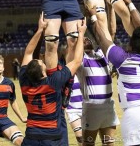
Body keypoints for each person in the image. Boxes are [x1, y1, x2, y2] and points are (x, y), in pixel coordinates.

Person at [90, 0, 140, 146]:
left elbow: (101, 38)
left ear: (130, 47)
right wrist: (130, 3)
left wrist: (93, 17)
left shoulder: (122, 59)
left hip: (135, 112)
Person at [19, 13, 86, 146]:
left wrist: (39, 30)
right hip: (51, 136)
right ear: (44, 73)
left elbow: (28, 53)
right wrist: (81, 34)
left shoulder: (24, 81)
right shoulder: (53, 82)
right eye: (42, 63)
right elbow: (77, 60)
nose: (43, 60)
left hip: (31, 136)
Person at [76, 37, 119, 146]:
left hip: (108, 105)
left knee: (109, 144)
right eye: (82, 39)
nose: (86, 39)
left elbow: (109, 34)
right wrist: (79, 35)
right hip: (92, 108)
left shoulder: (102, 54)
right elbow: (72, 46)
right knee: (89, 144)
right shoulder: (80, 60)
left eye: (87, 38)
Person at [65, 74, 83, 146]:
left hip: (88, 108)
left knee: (89, 139)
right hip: (72, 110)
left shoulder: (85, 70)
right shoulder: (66, 73)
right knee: (80, 137)